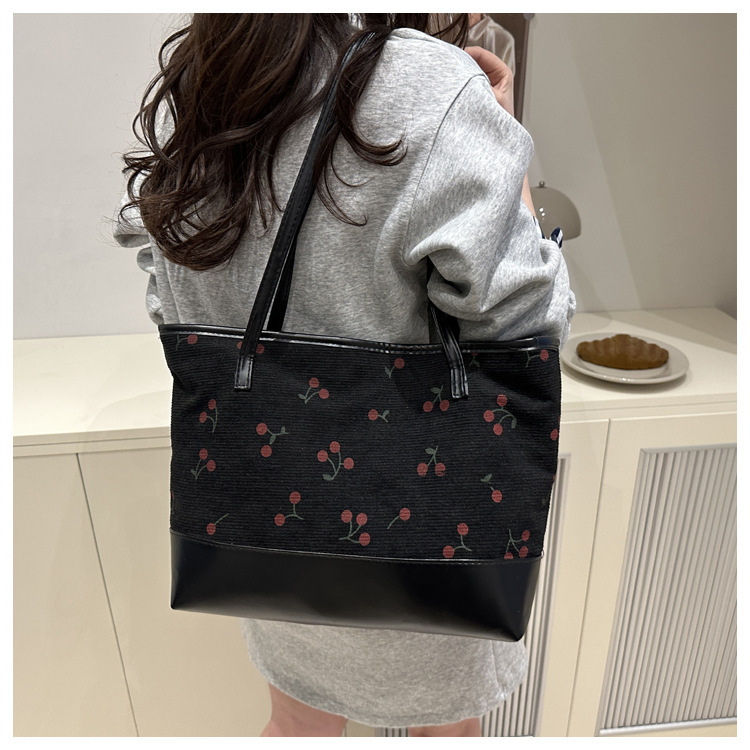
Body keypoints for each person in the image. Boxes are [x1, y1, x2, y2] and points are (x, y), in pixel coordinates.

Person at [114, 13, 575, 737]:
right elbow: (528, 323)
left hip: (271, 537)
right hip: (436, 546)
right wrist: (501, 144)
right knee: (444, 733)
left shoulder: (214, 71)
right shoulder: (434, 84)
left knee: (295, 725)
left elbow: (168, 293)